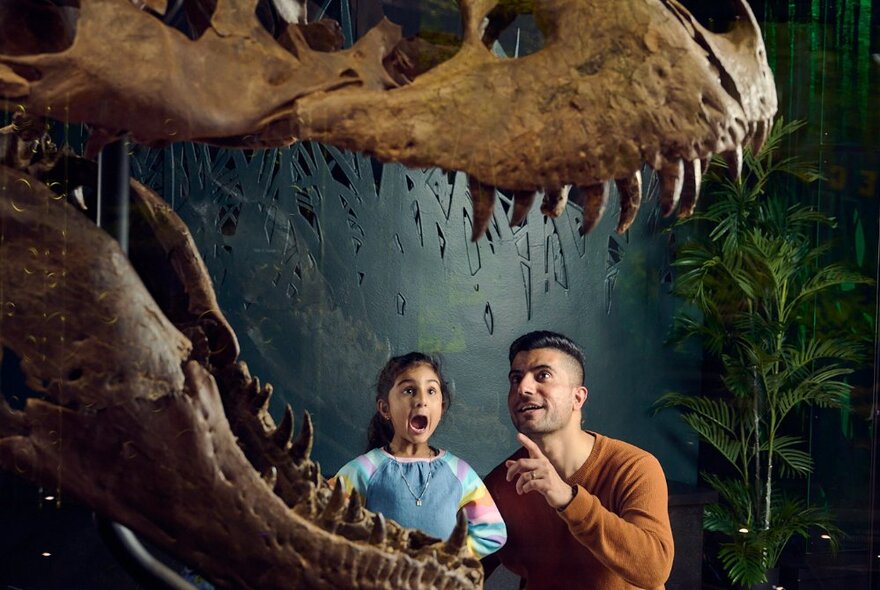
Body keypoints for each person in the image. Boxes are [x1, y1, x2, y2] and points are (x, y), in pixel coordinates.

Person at [482, 331, 673, 589]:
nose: (523, 388)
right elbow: (461, 570)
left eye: (543, 376)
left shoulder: (634, 467)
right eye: (516, 378)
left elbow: (653, 570)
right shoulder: (500, 483)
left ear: (578, 397)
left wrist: (567, 498)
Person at [332, 352, 507, 559]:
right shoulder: (364, 469)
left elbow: (493, 532)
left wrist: (449, 557)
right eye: (409, 390)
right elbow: (325, 519)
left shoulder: (459, 472)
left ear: (441, 408)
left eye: (431, 391)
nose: (422, 400)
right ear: (385, 408)